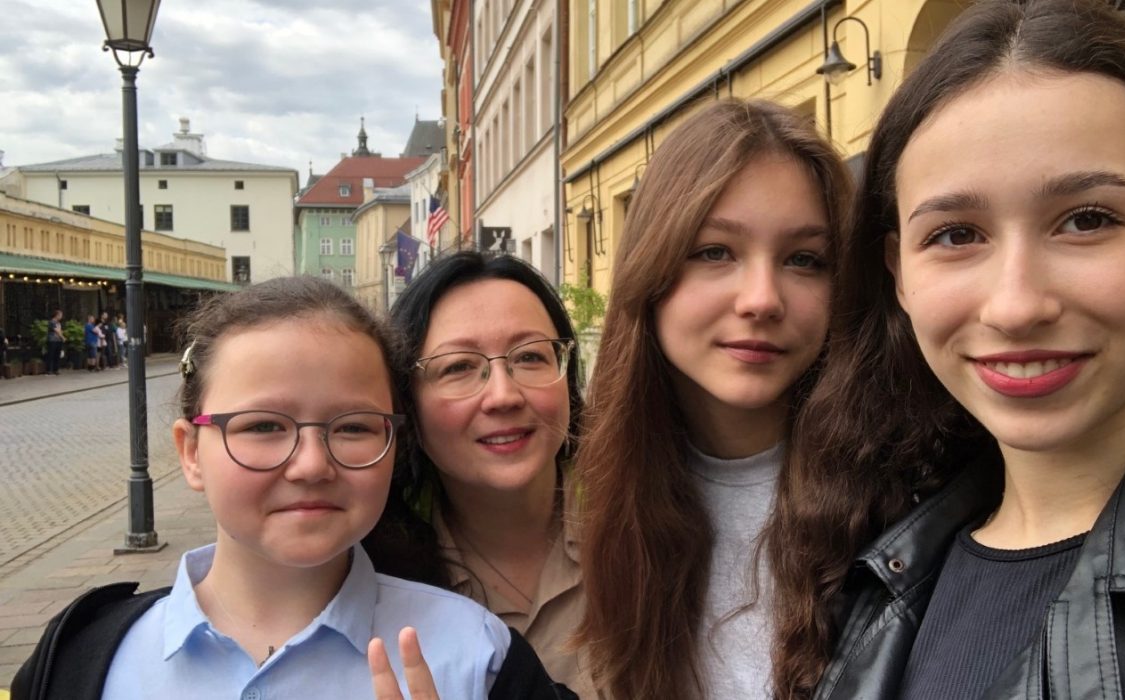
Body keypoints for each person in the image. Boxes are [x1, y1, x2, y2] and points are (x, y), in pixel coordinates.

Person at [767, 1, 1125, 698]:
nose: (1017, 305)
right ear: (897, 272)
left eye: (1088, 220)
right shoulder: (877, 559)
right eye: (957, 234)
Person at [13, 276, 570, 700]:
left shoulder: (477, 656)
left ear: (394, 443)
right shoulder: (82, 661)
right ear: (191, 452)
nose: (310, 465)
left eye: (352, 427)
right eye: (262, 426)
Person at [572, 98, 852, 699]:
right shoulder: (608, 493)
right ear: (651, 270)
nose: (761, 299)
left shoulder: (903, 501)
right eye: (715, 251)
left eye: (804, 260)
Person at [363, 252, 588, 695]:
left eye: (530, 357)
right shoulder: (370, 578)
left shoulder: (657, 525)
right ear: (406, 403)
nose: (503, 395)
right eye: (459, 367)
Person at [44, 310, 64, 375]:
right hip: (52, 340)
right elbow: (56, 331)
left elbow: (60, 331)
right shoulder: (52, 322)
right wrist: (63, 337)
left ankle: (56, 369)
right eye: (60, 315)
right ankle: (49, 369)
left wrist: (61, 336)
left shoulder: (58, 323)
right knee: (51, 355)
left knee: (57, 355)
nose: (61, 317)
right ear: (57, 315)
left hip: (58, 340)